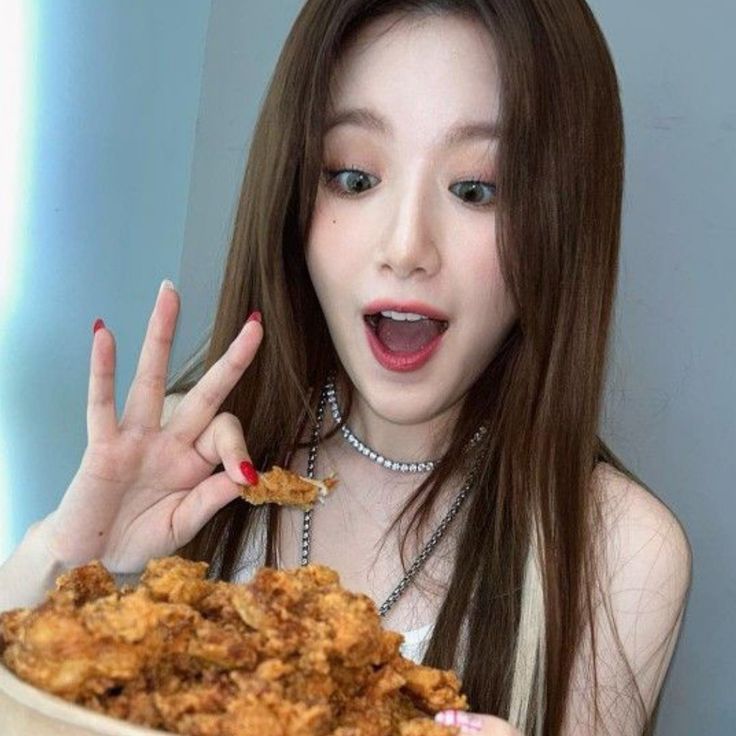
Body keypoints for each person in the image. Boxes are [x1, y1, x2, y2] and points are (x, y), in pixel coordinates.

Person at [0, 1, 692, 734]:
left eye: (478, 189)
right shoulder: (186, 466)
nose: (405, 246)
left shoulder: (619, 553)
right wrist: (65, 566)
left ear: (561, 223)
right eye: (354, 177)